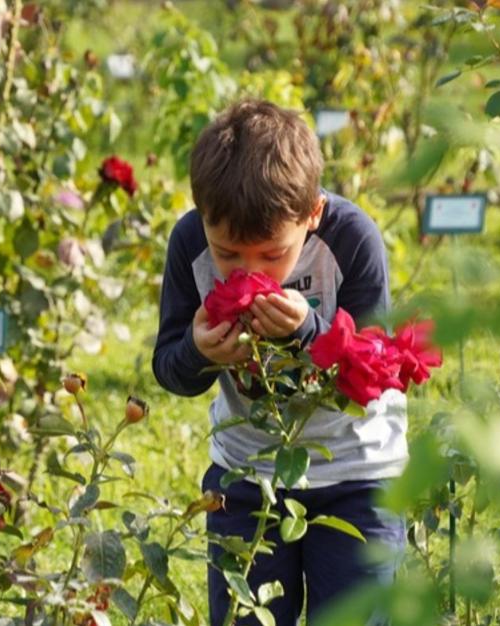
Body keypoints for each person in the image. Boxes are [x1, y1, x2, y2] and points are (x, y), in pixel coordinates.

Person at [152, 99, 406, 625]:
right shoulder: (189, 243)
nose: (250, 271)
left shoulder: (352, 239)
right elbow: (168, 367)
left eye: (272, 255)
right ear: (203, 219)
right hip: (246, 476)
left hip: (357, 475)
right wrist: (198, 352)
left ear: (312, 215)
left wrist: (305, 333)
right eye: (228, 254)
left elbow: (373, 374)